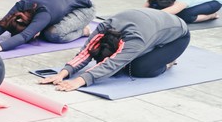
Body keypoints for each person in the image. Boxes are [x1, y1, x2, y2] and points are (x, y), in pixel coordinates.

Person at [40, 8, 190, 91]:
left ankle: (169, 61)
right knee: (128, 61)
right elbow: (86, 51)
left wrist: (80, 81)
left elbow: (113, 64)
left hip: (176, 38)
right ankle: (151, 50)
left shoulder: (135, 40)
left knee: (138, 68)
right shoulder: (105, 26)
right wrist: (63, 73)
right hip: (153, 29)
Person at [0, 0, 95, 52]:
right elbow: (2, 25)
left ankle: (84, 31)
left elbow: (25, 36)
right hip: (63, 1)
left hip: (84, 8)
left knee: (53, 34)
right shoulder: (21, 5)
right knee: (43, 30)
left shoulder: (44, 14)